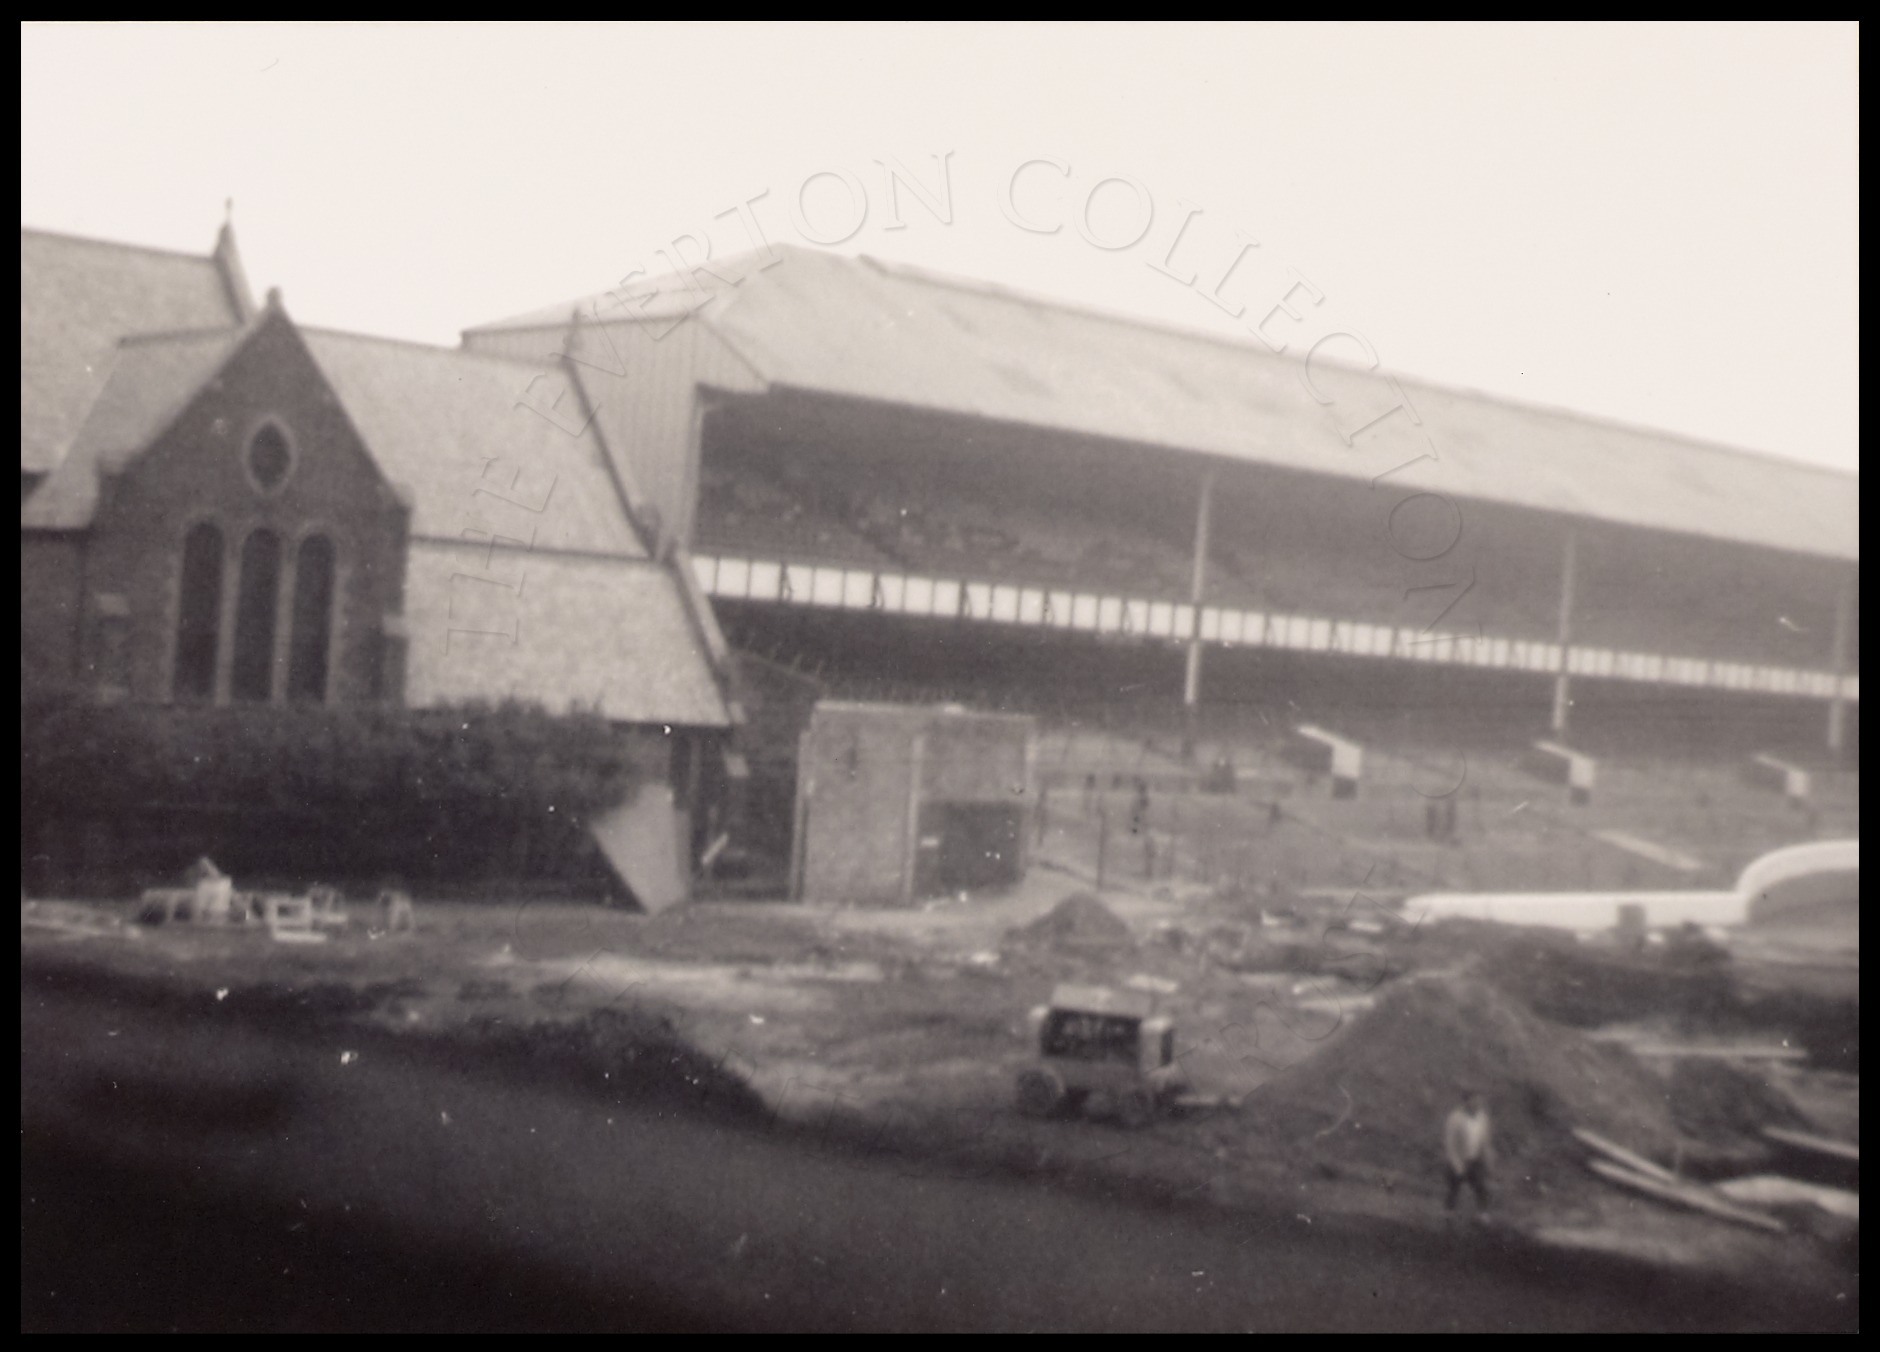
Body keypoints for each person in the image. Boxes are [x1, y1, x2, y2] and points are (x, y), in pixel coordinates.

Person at [1443, 1087, 1493, 1219]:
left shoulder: (1482, 1118)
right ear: (1466, 1102)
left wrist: (1488, 1158)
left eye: (1479, 1100)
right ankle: (1449, 1213)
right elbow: (1450, 1144)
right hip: (1458, 1158)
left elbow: (1485, 1140)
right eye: (1474, 1100)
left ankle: (1483, 1214)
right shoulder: (1455, 1118)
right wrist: (1457, 1164)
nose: (1477, 1103)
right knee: (1454, 1187)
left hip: (1475, 1158)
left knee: (1481, 1186)